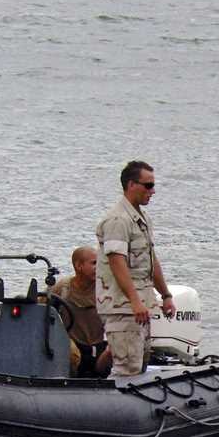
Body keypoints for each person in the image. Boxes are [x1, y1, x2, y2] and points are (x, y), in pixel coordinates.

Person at [94, 161, 175, 376]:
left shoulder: (142, 219)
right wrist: (134, 300)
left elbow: (151, 260)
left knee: (140, 366)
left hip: (141, 307)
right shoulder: (118, 220)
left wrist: (165, 295)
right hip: (123, 306)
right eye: (148, 186)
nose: (153, 191)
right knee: (126, 370)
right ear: (131, 185)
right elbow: (116, 261)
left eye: (153, 185)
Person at [50, 245, 112, 377]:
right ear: (79, 266)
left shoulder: (105, 289)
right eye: (94, 263)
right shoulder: (63, 288)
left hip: (99, 348)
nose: (99, 267)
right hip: (72, 350)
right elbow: (42, 311)